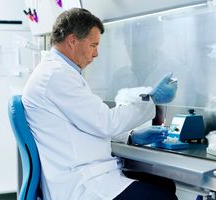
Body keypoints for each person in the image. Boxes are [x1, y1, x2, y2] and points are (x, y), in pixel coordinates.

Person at [22, 8, 178, 200]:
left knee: (164, 184)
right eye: (93, 45)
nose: (96, 54)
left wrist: (131, 137)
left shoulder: (61, 72)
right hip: (81, 183)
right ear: (72, 41)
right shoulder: (56, 76)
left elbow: (88, 124)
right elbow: (105, 122)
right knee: (163, 196)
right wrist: (151, 100)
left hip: (87, 173)